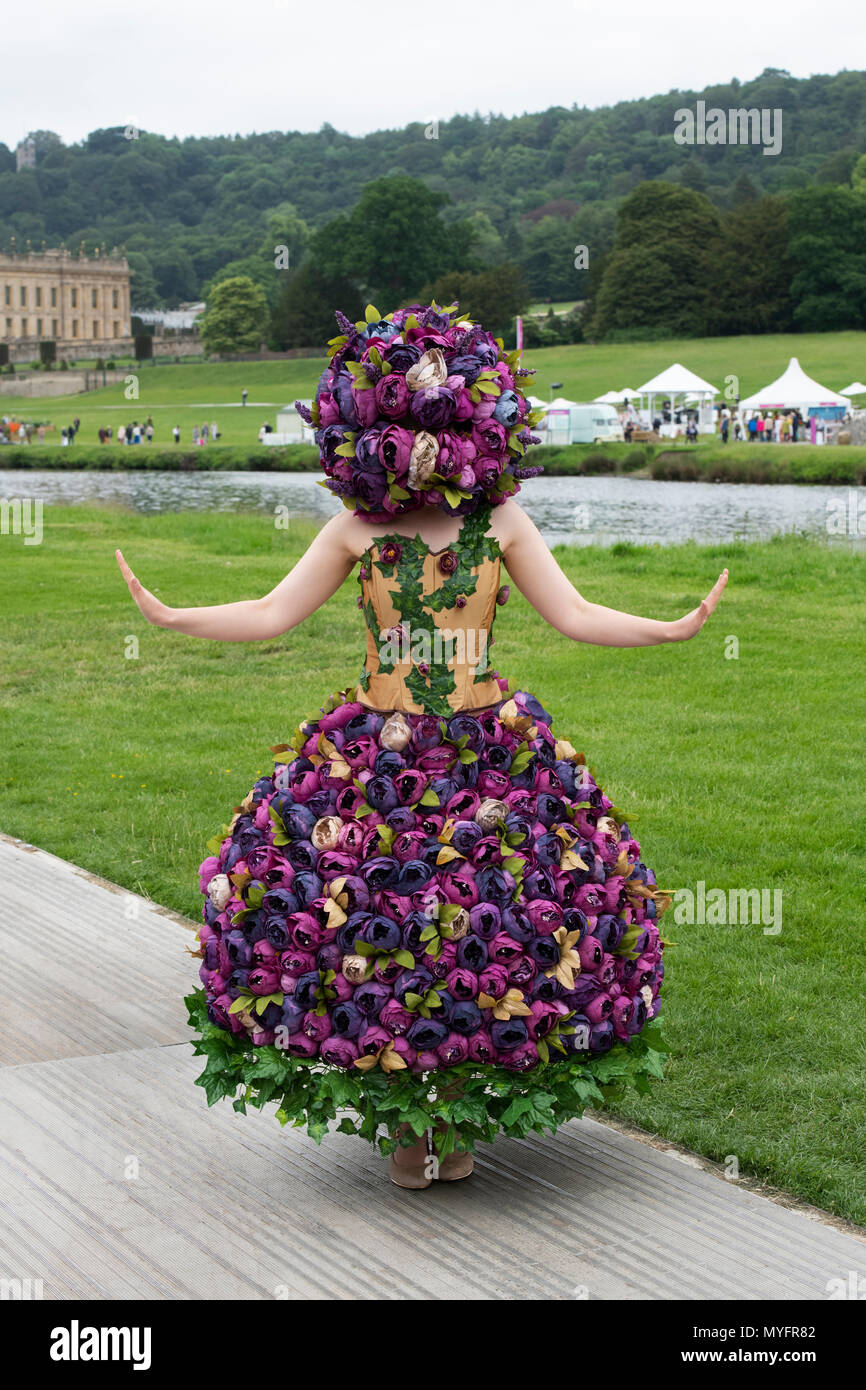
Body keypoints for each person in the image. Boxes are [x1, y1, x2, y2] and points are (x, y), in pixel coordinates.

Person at [116, 303, 728, 1189]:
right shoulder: (356, 532)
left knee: (489, 928)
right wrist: (173, 615)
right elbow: (270, 613)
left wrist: (668, 630)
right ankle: (407, 1125)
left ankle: (466, 1106)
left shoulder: (504, 525)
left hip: (489, 753)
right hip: (373, 758)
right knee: (389, 935)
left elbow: (577, 614)